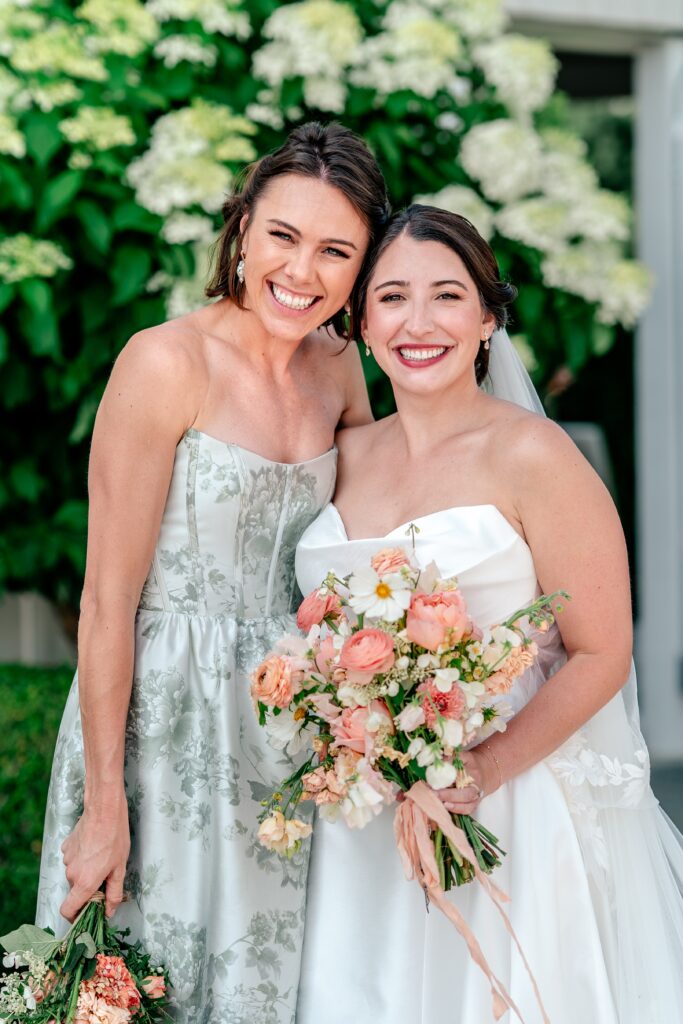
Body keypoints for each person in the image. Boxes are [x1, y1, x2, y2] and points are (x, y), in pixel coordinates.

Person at [36, 121, 390, 1022]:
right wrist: (104, 804)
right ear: (241, 230)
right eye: (282, 236)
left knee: (274, 986)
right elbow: (108, 600)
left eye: (334, 250)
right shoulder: (165, 363)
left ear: (360, 270)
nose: (300, 271)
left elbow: (358, 554)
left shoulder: (342, 372)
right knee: (143, 978)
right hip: (162, 720)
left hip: (285, 727)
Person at [294, 205, 683, 1023]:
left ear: (485, 319)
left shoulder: (536, 456)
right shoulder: (341, 457)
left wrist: (478, 773)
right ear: (361, 323)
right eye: (392, 298)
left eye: (446, 295)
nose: (419, 322)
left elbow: (601, 651)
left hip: (507, 801)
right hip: (362, 816)